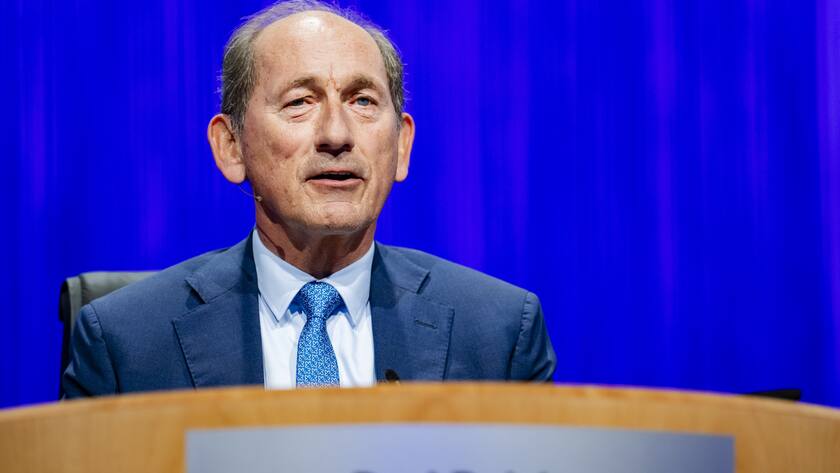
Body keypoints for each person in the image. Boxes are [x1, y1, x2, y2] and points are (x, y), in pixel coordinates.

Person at [62, 0, 556, 397]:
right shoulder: (126, 344)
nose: (337, 135)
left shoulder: (499, 334)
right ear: (231, 146)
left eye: (363, 101)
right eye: (300, 102)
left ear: (402, 146)